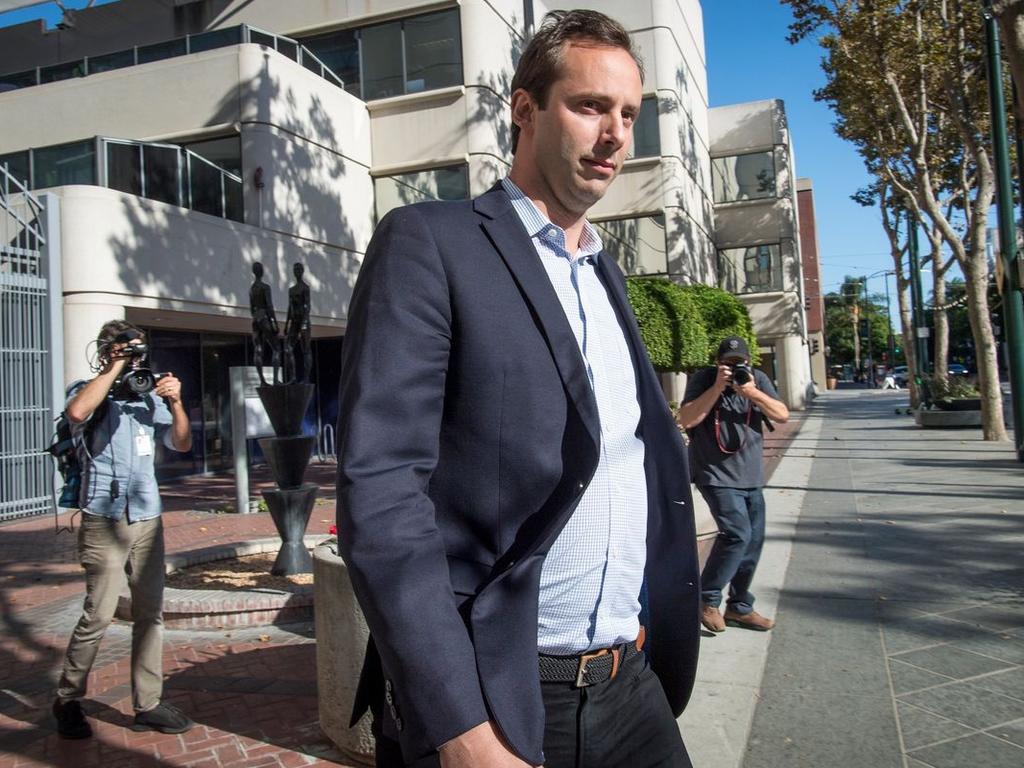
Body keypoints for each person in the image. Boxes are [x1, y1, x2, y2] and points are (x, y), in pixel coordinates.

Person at [336, 10, 699, 768]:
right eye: (591, 106)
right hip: (504, 695)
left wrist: (639, 622)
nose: (615, 136)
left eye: (628, 114)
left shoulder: (608, 276)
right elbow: (381, 490)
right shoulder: (430, 242)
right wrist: (459, 724)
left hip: (628, 679)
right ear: (525, 110)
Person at [52, 320, 194, 739]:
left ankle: (147, 703)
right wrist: (114, 368)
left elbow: (182, 444)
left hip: (148, 519)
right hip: (103, 518)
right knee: (97, 615)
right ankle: (67, 700)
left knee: (150, 614)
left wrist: (178, 402)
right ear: (105, 352)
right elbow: (77, 413)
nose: (134, 360)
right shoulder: (87, 389)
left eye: (136, 353)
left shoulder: (147, 397)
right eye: (123, 351)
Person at [677, 336, 790, 634]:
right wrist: (716, 387)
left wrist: (752, 392)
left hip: (751, 474)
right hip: (714, 473)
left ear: (749, 362)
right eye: (727, 363)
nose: (733, 368)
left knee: (752, 542)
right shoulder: (703, 379)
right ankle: (707, 598)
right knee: (737, 535)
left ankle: (739, 607)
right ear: (717, 363)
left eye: (739, 363)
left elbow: (782, 414)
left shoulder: (756, 380)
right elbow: (687, 419)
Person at [249, 261, 280, 385]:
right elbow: (269, 306)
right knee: (276, 348)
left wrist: (257, 316)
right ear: (261, 272)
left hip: (255, 320)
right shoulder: (265, 287)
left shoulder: (251, 289)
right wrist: (274, 322)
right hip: (265, 318)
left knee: (258, 349)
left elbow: (252, 309)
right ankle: (275, 379)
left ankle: (262, 380)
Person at [284, 261, 312, 383]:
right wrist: (286, 324)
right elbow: (290, 308)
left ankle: (306, 378)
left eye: (299, 269)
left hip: (303, 320)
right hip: (294, 321)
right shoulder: (291, 290)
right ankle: (293, 377)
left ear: (302, 271)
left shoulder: (305, 288)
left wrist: (304, 322)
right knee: (288, 348)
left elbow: (307, 306)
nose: (297, 272)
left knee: (306, 349)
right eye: (295, 270)